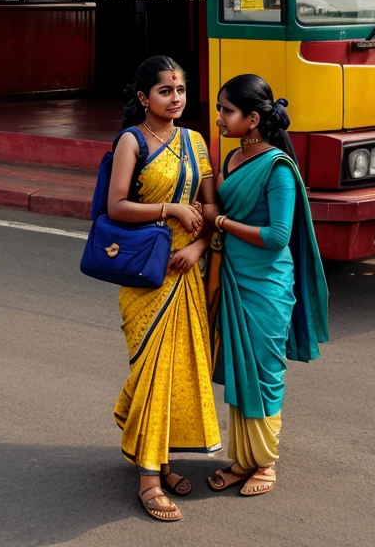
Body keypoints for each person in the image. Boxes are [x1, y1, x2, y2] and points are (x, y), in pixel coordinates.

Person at [108, 55, 221, 522]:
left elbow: (212, 208)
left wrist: (197, 247)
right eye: (165, 92)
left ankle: (159, 458)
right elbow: (116, 207)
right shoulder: (131, 142)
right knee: (152, 370)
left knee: (177, 373)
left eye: (180, 91)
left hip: (185, 270)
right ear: (143, 98)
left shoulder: (195, 142)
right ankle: (149, 481)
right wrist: (170, 210)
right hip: (146, 275)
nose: (175, 99)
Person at [205, 73, 328, 497]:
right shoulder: (232, 159)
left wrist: (220, 222)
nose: (219, 118)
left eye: (227, 111)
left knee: (264, 370)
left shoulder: (276, 168)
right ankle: (242, 461)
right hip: (235, 277)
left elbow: (277, 236)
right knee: (240, 369)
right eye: (220, 109)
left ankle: (266, 463)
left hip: (267, 284)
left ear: (253, 118)